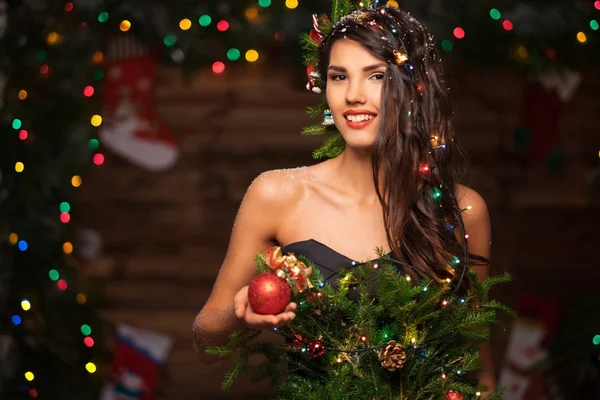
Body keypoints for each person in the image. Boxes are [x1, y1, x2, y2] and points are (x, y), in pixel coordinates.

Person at [193, 4, 496, 392]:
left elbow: (477, 367)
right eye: (339, 76)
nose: (353, 95)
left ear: (414, 87)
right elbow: (205, 342)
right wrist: (239, 311)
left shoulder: (462, 209)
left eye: (377, 76)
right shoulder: (278, 195)